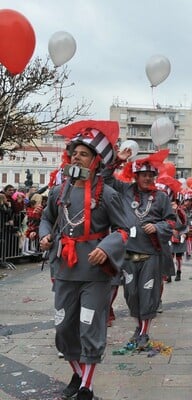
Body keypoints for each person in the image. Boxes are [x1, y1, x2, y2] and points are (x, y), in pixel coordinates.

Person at [39, 120, 129, 400]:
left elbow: (126, 230)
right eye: (74, 152)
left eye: (84, 153)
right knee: (64, 328)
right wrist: (45, 236)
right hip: (65, 269)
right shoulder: (59, 191)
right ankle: (78, 375)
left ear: (96, 161)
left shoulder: (108, 194)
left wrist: (107, 246)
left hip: (95, 274)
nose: (76, 156)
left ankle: (86, 389)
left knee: (90, 326)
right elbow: (46, 218)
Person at [102, 147, 175, 349]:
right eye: (143, 175)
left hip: (150, 253)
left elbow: (171, 222)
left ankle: (144, 332)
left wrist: (157, 227)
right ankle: (138, 326)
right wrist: (117, 161)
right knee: (131, 293)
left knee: (147, 292)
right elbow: (105, 178)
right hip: (129, 253)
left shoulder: (161, 198)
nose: (147, 178)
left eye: (151, 175)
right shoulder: (125, 190)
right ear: (136, 176)